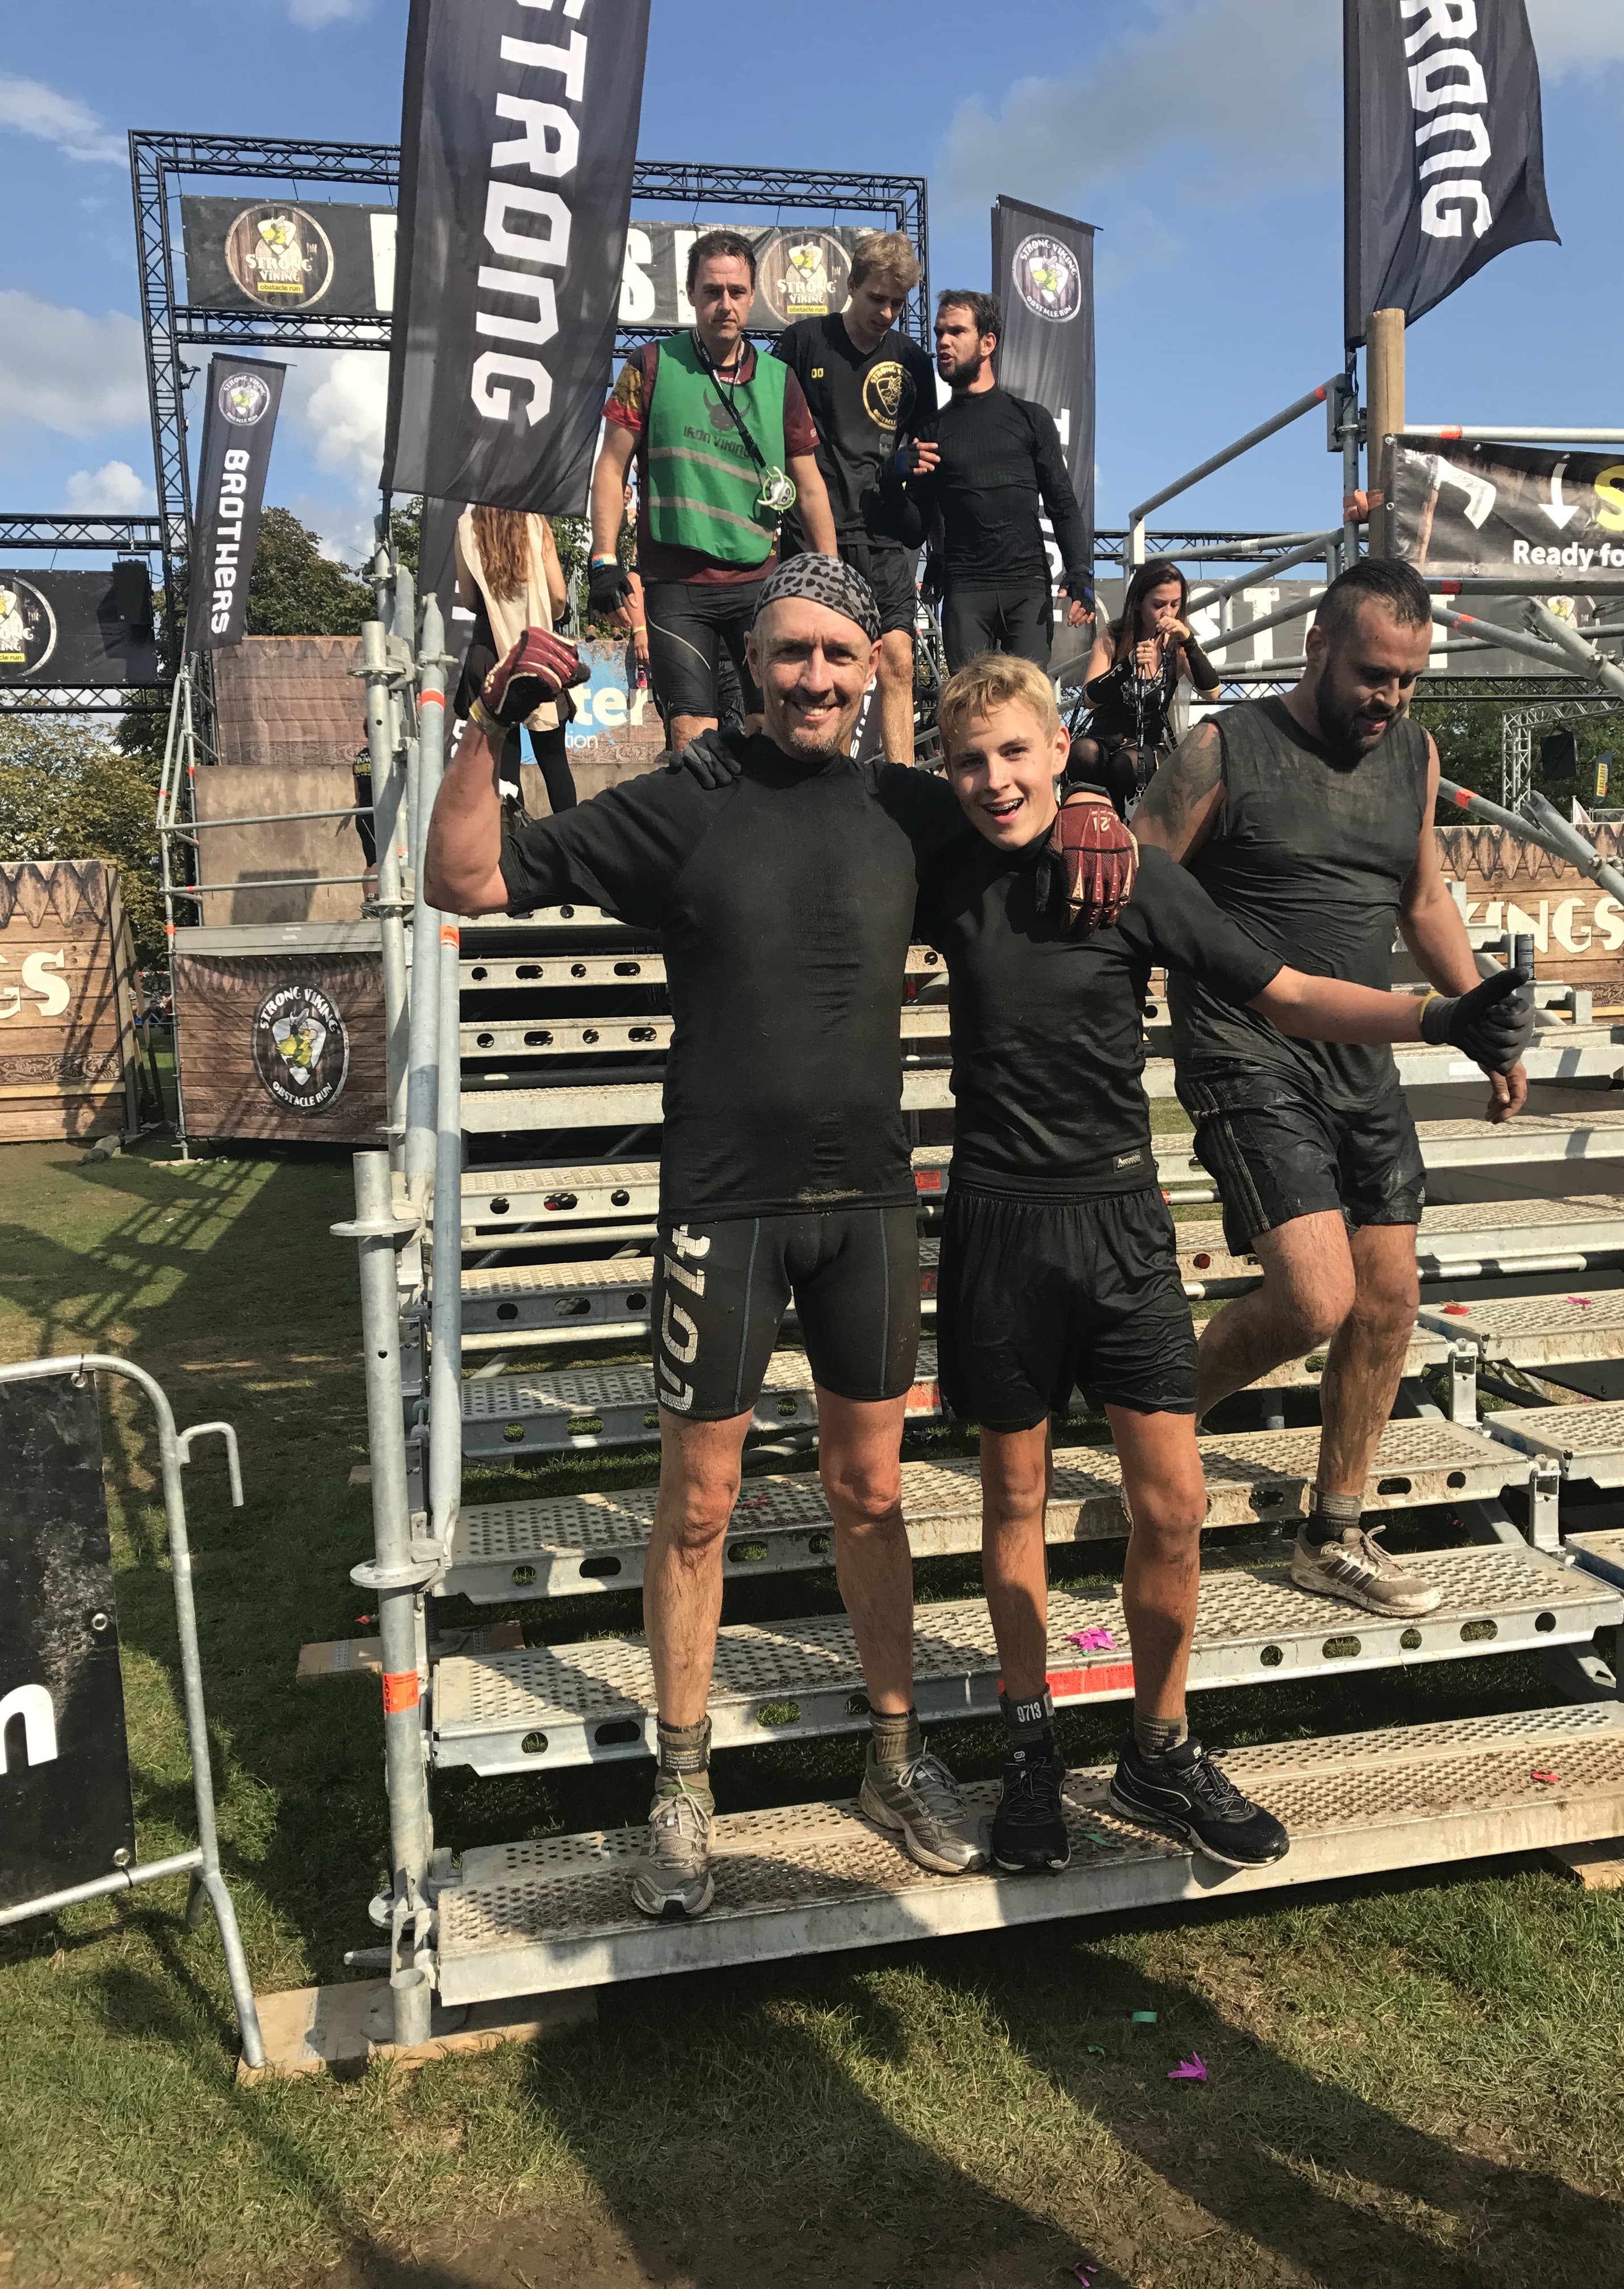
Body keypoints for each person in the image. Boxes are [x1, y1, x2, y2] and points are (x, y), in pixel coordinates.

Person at [422, 559, 1136, 1920]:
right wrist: (489, 724)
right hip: (726, 1204)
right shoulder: (685, 803)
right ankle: (682, 1789)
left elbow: (1030, 803)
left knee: (871, 1495)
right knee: (698, 1507)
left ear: (872, 671)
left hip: (866, 1205)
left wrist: (1095, 797)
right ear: (751, 664)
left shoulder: (909, 808)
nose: (816, 677)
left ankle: (894, 1761)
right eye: (792, 653)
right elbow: (461, 875)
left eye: (838, 655)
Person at [917, 652, 1533, 1872]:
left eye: (1017, 753)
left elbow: (1289, 994)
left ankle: (1157, 1749)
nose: (993, 780)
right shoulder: (937, 862)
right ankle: (1030, 1750)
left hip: (1119, 1225)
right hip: (997, 1225)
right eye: (969, 761)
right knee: (1014, 1501)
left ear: (1057, 749)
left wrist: (1439, 1017)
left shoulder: (1129, 873)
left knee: (1175, 1506)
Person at [1130, 556, 1532, 1623]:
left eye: (1408, 678)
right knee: (1315, 1298)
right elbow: (1133, 872)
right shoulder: (1223, 748)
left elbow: (1423, 898)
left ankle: (1333, 1531)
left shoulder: (1414, 753)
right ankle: (1146, 1425)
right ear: (1316, 645)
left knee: (1388, 1299)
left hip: (1359, 1059)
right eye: (1372, 673)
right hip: (1244, 1048)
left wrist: (1481, 1023)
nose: (1389, 696)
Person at [586, 229, 838, 754]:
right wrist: (603, 559)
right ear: (691, 294)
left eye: (737, 291)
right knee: (692, 739)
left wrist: (831, 578)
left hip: (757, 580)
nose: (725, 304)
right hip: (675, 581)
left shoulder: (781, 380)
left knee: (773, 733)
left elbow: (810, 488)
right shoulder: (649, 366)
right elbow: (611, 466)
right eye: (712, 291)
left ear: (753, 296)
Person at [775, 230, 938, 764]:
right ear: (851, 285)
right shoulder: (803, 342)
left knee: (898, 660)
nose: (887, 313)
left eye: (898, 304)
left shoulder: (913, 361)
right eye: (877, 298)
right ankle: (833, 780)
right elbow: (768, 431)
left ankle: (902, 781)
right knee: (830, 665)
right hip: (815, 532)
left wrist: (911, 490)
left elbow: (928, 455)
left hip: (885, 535)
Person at [888, 289, 1094, 672]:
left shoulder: (1031, 418)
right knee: (969, 706)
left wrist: (1080, 571)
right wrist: (892, 477)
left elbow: (1063, 504)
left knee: (1028, 704)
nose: (943, 342)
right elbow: (913, 532)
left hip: (1027, 588)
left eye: (956, 332)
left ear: (988, 343)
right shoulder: (931, 429)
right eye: (939, 332)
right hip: (966, 589)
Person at [454, 506, 580, 814]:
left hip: (490, 651)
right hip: (537, 649)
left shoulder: (467, 525)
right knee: (553, 759)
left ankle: (513, 841)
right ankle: (571, 840)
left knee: (504, 765)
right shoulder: (535, 521)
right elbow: (559, 597)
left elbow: (469, 600)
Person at [1072, 557, 1222, 802]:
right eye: (1158, 605)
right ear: (1139, 603)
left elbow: (1212, 692)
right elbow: (1089, 699)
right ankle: (1087, 817)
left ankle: (1124, 823)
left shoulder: (1178, 647)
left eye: (1175, 605)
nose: (1168, 613)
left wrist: (1189, 641)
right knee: (1082, 752)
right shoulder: (1112, 637)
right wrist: (1126, 665)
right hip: (1103, 739)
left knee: (1127, 764)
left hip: (1147, 747)